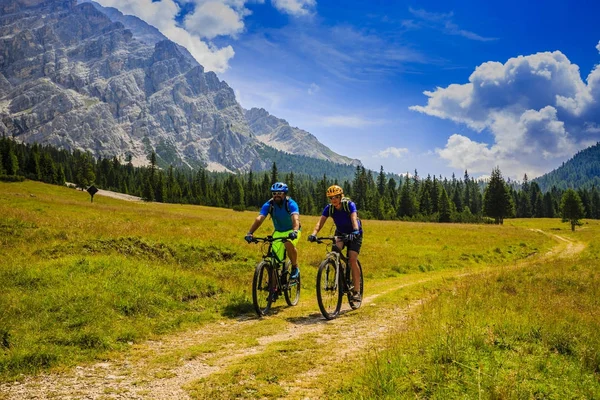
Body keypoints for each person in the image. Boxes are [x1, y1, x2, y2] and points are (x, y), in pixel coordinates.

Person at [308, 185, 363, 301]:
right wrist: (314, 234)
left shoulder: (349, 205)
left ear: (340, 196)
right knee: (334, 253)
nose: (333, 200)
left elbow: (354, 218)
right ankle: (339, 272)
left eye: (336, 197)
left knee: (352, 259)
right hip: (341, 233)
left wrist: (355, 231)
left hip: (355, 233)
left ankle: (357, 291)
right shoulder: (329, 208)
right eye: (331, 198)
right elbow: (320, 222)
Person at [245, 182, 301, 280]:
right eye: (274, 193)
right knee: (274, 261)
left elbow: (295, 219)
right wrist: (250, 233)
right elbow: (259, 219)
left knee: (288, 243)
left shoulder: (291, 203)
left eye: (279, 193)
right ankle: (273, 289)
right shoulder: (269, 204)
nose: (276, 196)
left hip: (292, 230)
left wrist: (295, 231)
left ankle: (295, 267)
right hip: (278, 231)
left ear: (284, 194)